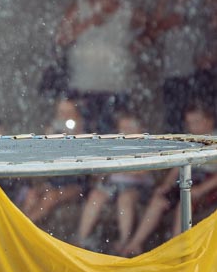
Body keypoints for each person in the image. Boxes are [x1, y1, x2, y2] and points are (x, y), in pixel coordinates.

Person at [56, 0, 145, 134]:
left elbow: (150, 29)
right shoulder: (80, 7)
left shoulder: (127, 10)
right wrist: (88, 23)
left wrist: (135, 46)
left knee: (114, 137)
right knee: (82, 135)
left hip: (116, 87)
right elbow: (61, 38)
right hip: (83, 87)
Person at [118, 101, 217, 256]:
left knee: (185, 202)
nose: (193, 127)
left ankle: (176, 248)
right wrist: (166, 185)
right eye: (190, 123)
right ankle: (135, 244)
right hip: (188, 179)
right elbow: (179, 165)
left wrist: (201, 189)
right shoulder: (191, 140)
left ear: (209, 120)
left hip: (207, 185)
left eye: (197, 122)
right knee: (159, 200)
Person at [144, 0, 214, 133]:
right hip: (174, 71)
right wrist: (166, 24)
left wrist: (212, 55)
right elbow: (150, 33)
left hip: (201, 71)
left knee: (202, 120)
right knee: (174, 124)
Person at [75, 110, 153, 252]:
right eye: (123, 129)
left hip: (136, 187)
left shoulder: (146, 146)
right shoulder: (115, 145)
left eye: (130, 129)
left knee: (125, 198)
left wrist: (121, 167)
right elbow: (103, 169)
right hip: (113, 186)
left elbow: (143, 171)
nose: (126, 133)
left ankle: (124, 241)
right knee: (95, 195)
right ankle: (81, 238)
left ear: (140, 129)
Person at [20, 98, 89, 226]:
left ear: (77, 115)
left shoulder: (83, 136)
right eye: (61, 112)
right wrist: (48, 139)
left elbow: (81, 166)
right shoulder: (54, 133)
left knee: (50, 196)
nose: (64, 116)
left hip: (75, 183)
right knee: (32, 194)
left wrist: (72, 136)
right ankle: (20, 223)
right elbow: (43, 158)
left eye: (69, 113)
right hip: (54, 181)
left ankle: (23, 227)